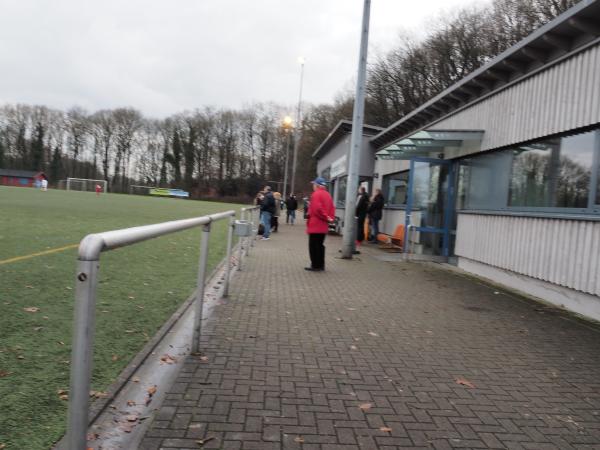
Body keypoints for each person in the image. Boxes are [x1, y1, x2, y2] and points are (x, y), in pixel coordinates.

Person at [305, 177, 335, 272]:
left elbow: (317, 209)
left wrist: (326, 216)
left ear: (317, 185)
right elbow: (332, 208)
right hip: (323, 225)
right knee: (320, 245)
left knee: (313, 246)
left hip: (315, 224)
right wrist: (329, 218)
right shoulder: (328, 195)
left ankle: (315, 265)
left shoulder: (316, 194)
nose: (313, 186)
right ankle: (321, 265)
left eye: (314, 184)